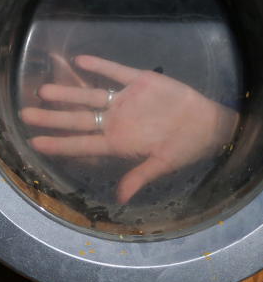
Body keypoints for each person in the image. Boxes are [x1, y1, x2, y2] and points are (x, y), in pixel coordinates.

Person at [20, 54, 239, 204]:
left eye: (85, 71)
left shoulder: (186, 207)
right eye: (35, 67)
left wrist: (216, 129)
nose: (63, 89)